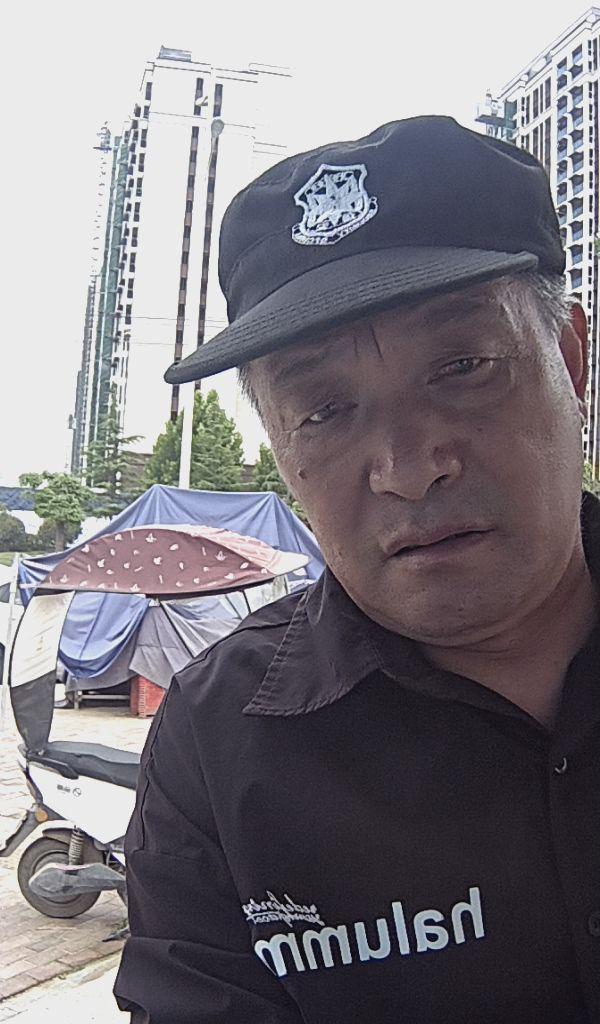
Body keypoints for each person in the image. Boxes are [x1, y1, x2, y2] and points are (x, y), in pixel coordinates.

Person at [114, 116, 600, 1023]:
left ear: (570, 361)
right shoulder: (217, 747)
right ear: (278, 445)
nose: (409, 468)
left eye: (463, 366)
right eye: (324, 412)